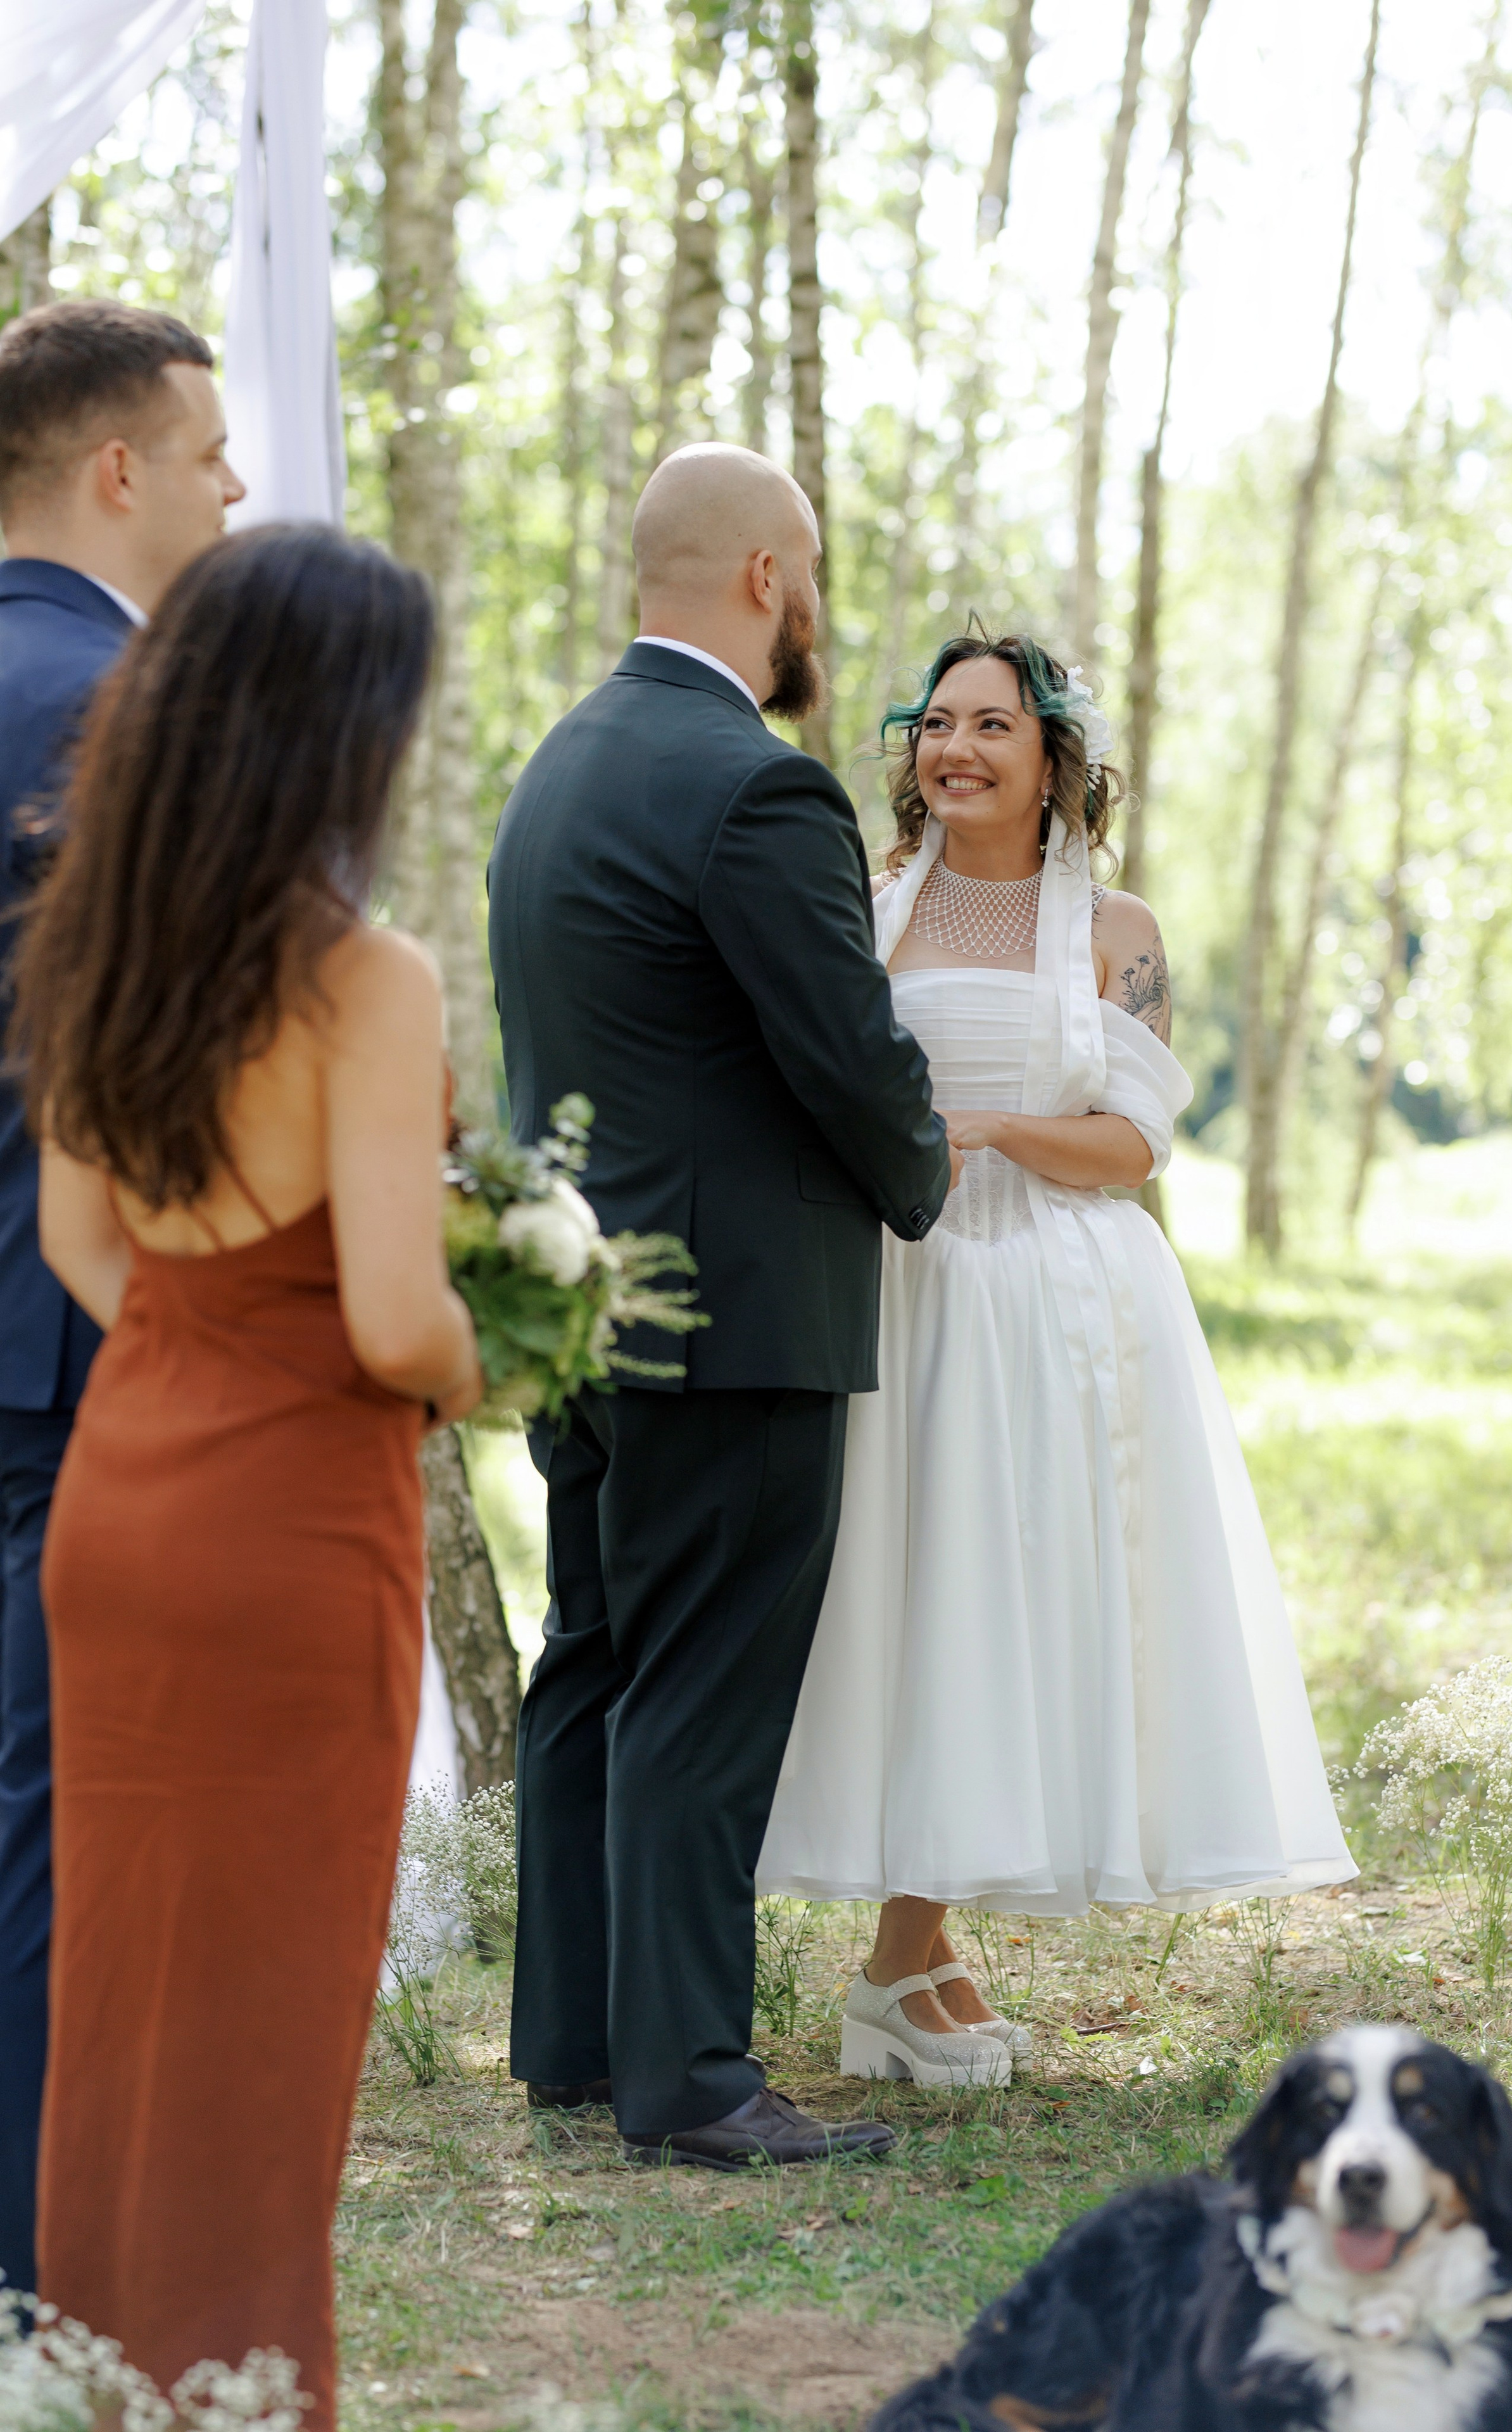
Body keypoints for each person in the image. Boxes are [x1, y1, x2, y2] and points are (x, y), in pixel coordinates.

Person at [9, 526, 482, 2422]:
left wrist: (201, 1367)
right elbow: (394, 1316)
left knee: (121, 2005)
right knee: (266, 2027)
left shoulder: (92, 941)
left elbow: (80, 1244)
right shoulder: (364, 978)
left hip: (125, 1499)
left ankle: (97, 2385)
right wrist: (486, 1364)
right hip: (292, 1529)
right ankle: (236, 2397)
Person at [757, 630, 1356, 2081]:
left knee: (1008, 1603)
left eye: (989, 726)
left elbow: (1133, 1147)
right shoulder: (867, 902)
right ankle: (904, 1961)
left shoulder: (1115, 930)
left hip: (1053, 1298)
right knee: (917, 1606)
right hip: (904, 1289)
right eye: (935, 724)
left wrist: (988, 1127)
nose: (953, 750)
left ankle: (909, 1958)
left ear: (1050, 759)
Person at [488, 442, 959, 2168]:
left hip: (585, 1311)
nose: (812, 609)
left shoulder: (560, 766)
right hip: (736, 1315)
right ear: (768, 576)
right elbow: (847, 1047)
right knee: (700, 1687)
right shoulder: (757, 788)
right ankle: (690, 2077)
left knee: (594, 1662)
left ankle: (577, 2043)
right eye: (809, 576)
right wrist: (927, 1177)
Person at [0, 296, 244, 2301]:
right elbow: (169, 1066)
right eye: (209, 453)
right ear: (114, 468)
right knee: (56, 1810)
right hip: (60, 1331)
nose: (233, 489)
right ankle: (35, 2267)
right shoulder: (117, 713)